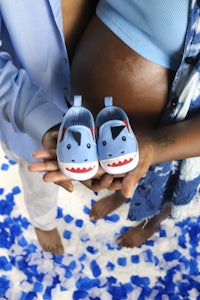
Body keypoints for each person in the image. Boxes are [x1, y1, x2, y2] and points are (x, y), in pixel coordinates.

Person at [29, 0, 200, 248]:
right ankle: (119, 193)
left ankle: (150, 222)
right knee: (122, 175)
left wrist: (155, 146)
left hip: (163, 136)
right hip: (75, 102)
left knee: (154, 181)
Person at [0, 0, 97, 255]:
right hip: (30, 107)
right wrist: (41, 120)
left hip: (100, 95)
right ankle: (43, 221)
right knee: (39, 177)